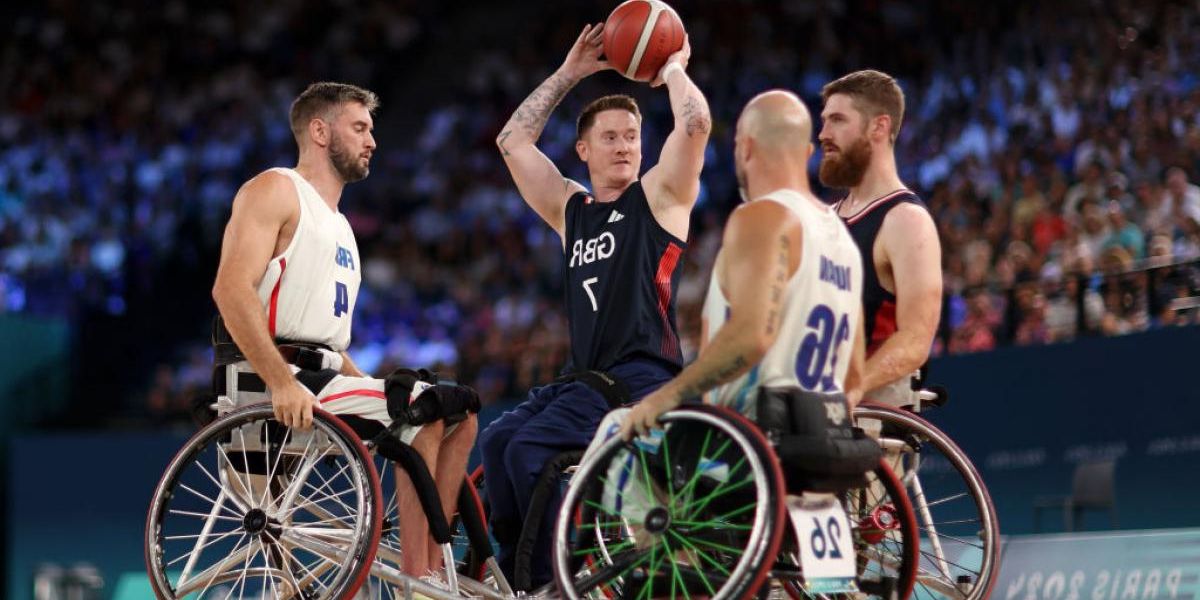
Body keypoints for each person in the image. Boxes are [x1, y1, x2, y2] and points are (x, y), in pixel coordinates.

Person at [209, 82, 477, 581]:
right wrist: (281, 381)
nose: (372, 140)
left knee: (458, 410)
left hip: (320, 380)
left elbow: (329, 346)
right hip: (263, 382)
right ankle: (421, 581)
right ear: (319, 131)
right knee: (422, 408)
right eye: (359, 128)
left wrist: (372, 385)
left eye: (371, 129)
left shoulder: (343, 229)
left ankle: (435, 566)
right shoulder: (275, 189)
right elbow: (229, 291)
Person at [481, 22, 711, 589]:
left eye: (632, 134)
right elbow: (512, 142)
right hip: (585, 378)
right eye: (609, 137)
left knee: (531, 448)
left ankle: (549, 581)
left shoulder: (658, 198)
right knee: (498, 440)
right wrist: (570, 73)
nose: (625, 145)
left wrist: (673, 67)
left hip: (642, 375)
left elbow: (697, 123)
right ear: (583, 150)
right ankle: (516, 574)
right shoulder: (571, 210)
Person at [620, 89, 866, 439]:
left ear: (745, 147)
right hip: (819, 446)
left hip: (742, 442)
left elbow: (752, 336)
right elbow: (854, 377)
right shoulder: (843, 241)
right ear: (807, 153)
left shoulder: (763, 216)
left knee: (615, 429)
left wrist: (668, 395)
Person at [819, 70, 943, 405]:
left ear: (879, 126)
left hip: (875, 421)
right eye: (824, 121)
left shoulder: (906, 220)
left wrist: (851, 388)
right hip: (815, 415)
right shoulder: (825, 220)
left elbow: (916, 339)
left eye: (837, 120)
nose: (823, 134)